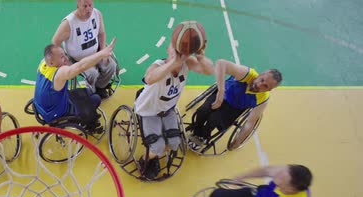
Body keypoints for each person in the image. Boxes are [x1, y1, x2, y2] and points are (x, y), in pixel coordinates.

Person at [134, 40, 214, 179]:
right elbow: (149, 78)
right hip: (149, 111)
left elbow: (209, 70)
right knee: (158, 147)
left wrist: (200, 55)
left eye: (181, 51)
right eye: (174, 49)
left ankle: (157, 153)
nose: (178, 53)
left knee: (175, 143)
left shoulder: (187, 63)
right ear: (168, 50)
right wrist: (173, 63)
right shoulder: (159, 65)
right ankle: (145, 159)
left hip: (168, 110)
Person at [187, 59, 283, 151]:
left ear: (269, 90)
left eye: (265, 86)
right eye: (262, 80)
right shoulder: (247, 74)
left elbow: (250, 123)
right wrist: (220, 94)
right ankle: (196, 130)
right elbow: (221, 63)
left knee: (213, 120)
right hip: (223, 95)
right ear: (260, 75)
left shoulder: (263, 99)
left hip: (233, 109)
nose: (259, 85)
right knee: (202, 111)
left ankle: (203, 136)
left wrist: (238, 141)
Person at [33, 38, 116, 129]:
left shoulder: (43, 63)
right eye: (61, 57)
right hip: (54, 113)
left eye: (64, 54)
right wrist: (101, 54)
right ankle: (89, 124)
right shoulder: (60, 73)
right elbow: (81, 66)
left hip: (41, 106)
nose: (66, 58)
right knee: (96, 99)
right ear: (52, 62)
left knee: (89, 92)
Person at [52, 0, 117, 99]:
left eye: (90, 5)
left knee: (111, 66)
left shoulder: (97, 14)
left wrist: (103, 51)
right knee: (92, 73)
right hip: (78, 60)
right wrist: (66, 60)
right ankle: (91, 93)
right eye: (85, 6)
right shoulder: (68, 23)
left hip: (96, 53)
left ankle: (100, 87)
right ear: (78, 4)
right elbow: (55, 41)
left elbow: (101, 33)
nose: (88, 9)